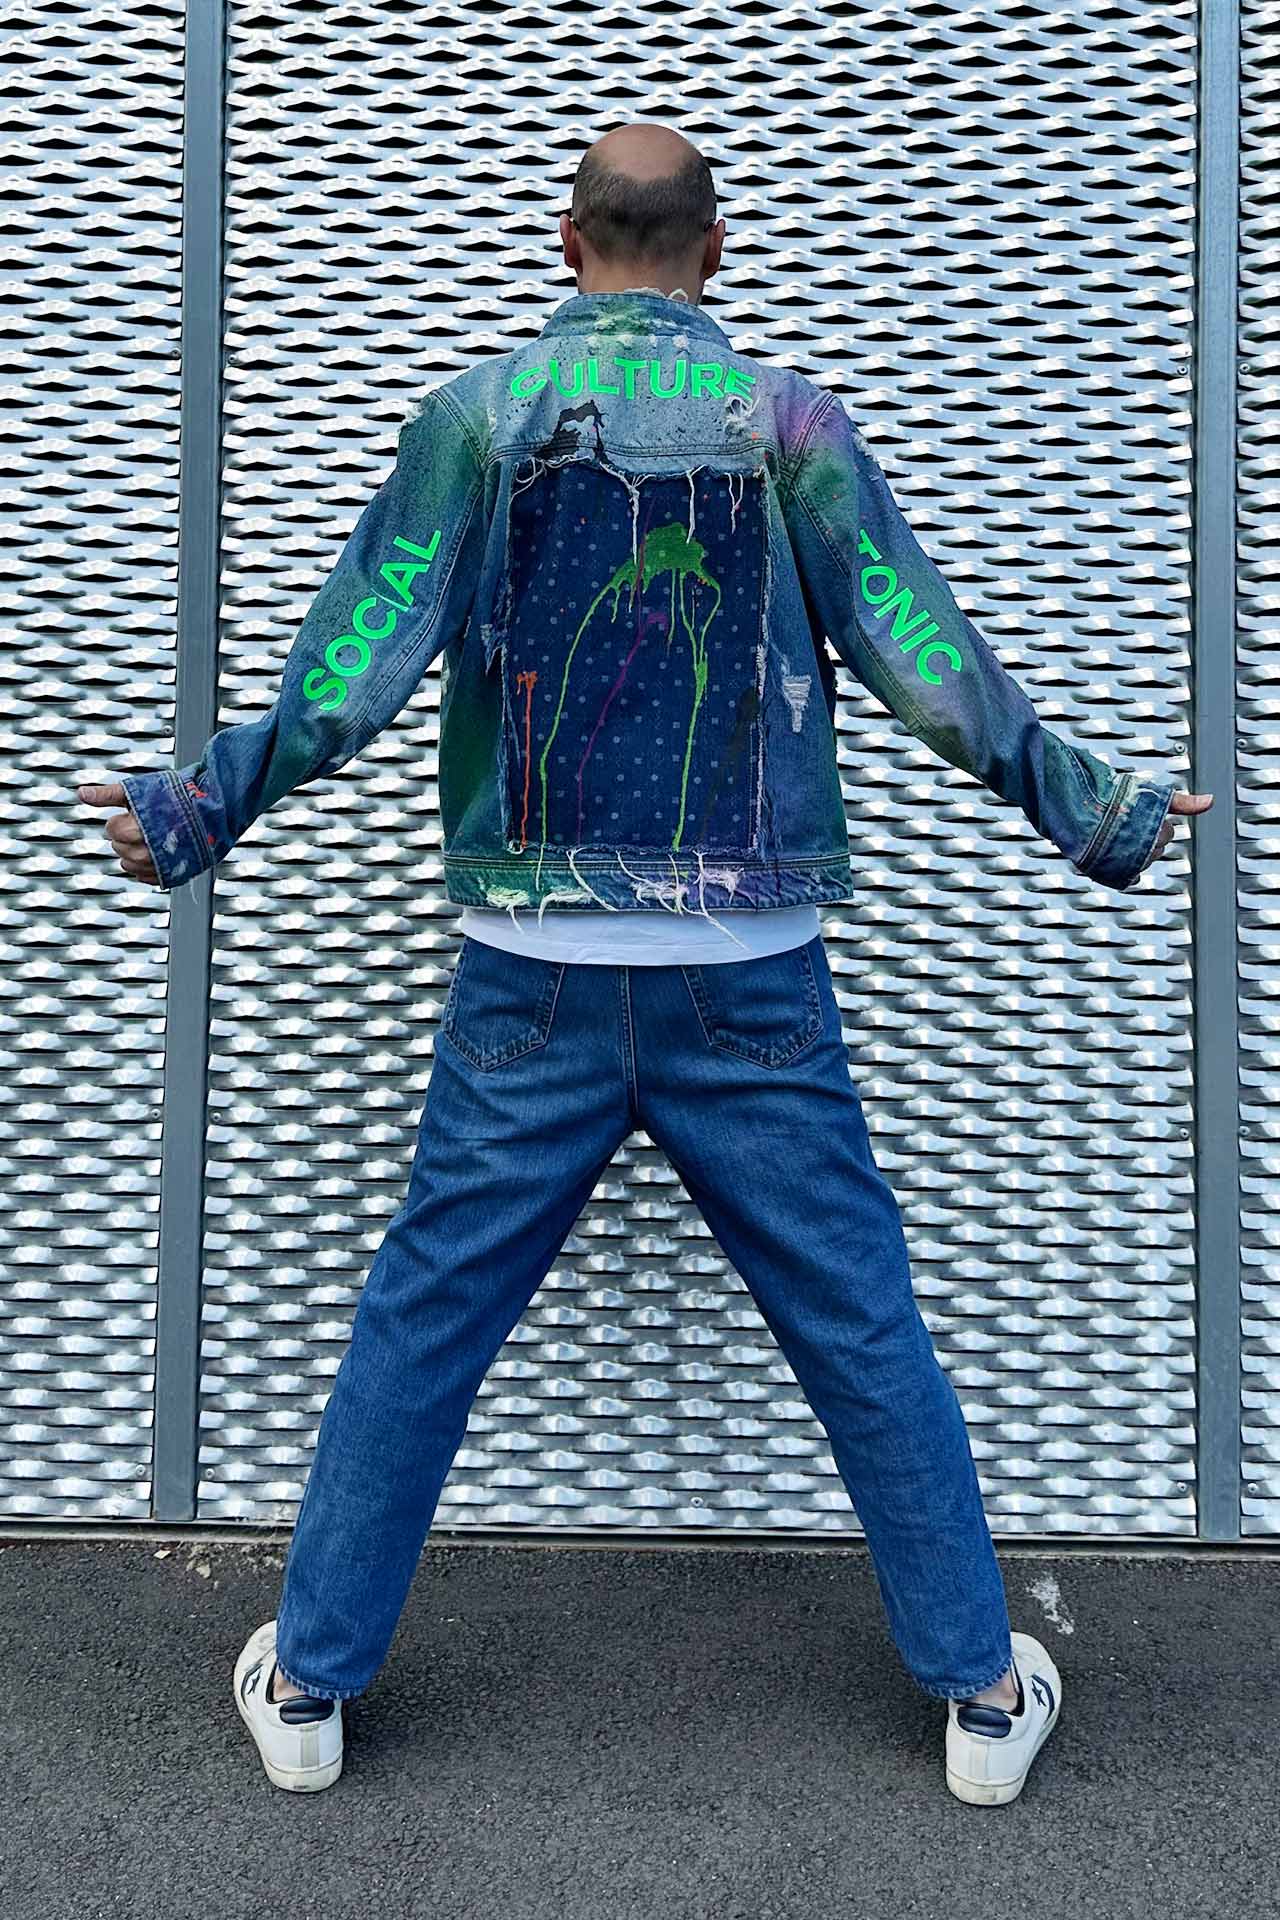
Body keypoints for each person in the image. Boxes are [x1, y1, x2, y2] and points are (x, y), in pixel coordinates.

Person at [79, 122, 1212, 1804]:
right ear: (715, 250)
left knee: (424, 1321)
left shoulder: (478, 420)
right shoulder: (790, 424)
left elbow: (353, 661)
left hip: (528, 973)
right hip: (748, 971)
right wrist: (1093, 807)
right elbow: (922, 651)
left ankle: (308, 1685)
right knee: (860, 1321)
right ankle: (983, 1694)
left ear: (568, 243)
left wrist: (196, 807)